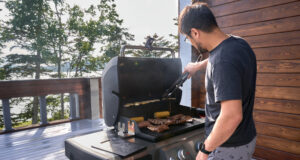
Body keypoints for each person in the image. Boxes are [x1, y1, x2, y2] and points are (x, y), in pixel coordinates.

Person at [178, 2, 257, 160]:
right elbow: (222, 60)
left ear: (195, 33)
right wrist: (198, 66)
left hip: (228, 146)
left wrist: (205, 150)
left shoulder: (222, 61)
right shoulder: (238, 43)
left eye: (188, 39)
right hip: (246, 138)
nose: (191, 44)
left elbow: (232, 116)